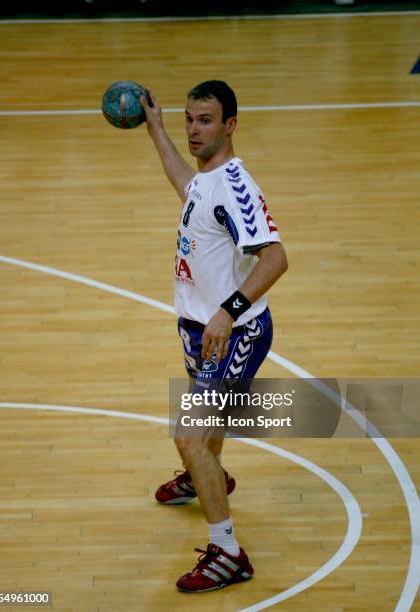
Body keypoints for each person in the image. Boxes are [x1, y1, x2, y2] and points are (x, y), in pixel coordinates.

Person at [140, 80, 288, 593]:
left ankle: (228, 553)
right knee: (204, 430)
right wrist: (157, 130)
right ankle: (208, 475)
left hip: (234, 332)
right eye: (189, 119)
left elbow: (276, 258)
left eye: (205, 120)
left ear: (230, 125)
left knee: (188, 433)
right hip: (199, 328)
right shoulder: (205, 178)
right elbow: (186, 185)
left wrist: (229, 312)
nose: (194, 130)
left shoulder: (237, 187)